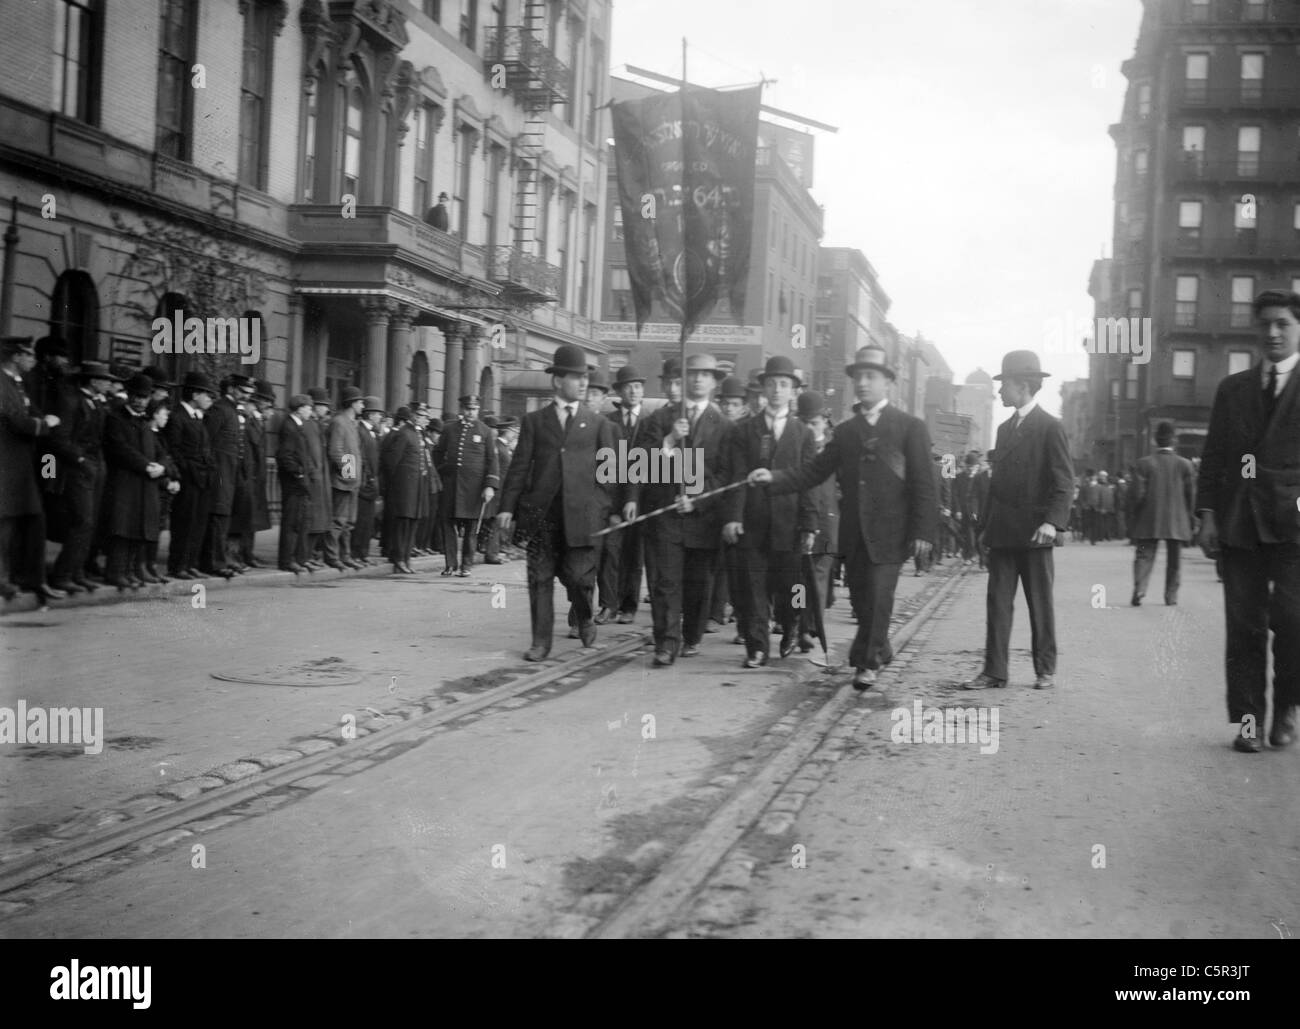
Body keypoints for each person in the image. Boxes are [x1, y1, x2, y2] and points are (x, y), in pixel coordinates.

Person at [750, 344, 935, 689]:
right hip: (854, 534)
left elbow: (925, 483)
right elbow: (813, 471)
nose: (862, 383)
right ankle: (880, 646)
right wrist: (774, 478)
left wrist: (924, 530)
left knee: (880, 596)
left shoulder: (910, 427)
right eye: (858, 377)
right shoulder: (848, 432)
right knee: (863, 599)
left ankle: (867, 664)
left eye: (870, 376)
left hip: (892, 533)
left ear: (887, 383)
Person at [1195, 288, 1300, 753]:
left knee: (1295, 622)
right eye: (1266, 325)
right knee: (1244, 626)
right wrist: (1208, 515)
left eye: (1283, 324)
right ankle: (1250, 722)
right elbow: (1215, 457)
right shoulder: (1232, 390)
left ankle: (1288, 708)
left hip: (1295, 527)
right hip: (1241, 523)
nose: (1273, 333)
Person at [497, 344, 620, 662]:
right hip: (541, 516)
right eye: (575, 376)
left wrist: (600, 509)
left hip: (582, 519)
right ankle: (541, 642)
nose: (582, 383)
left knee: (579, 579)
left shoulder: (597, 425)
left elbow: (609, 476)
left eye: (584, 378)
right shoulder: (535, 422)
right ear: (556, 381)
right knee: (539, 578)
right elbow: (520, 467)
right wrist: (507, 507)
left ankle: (585, 616)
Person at [961, 350, 1073, 691]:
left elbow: (1064, 482)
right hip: (1003, 531)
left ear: (1023, 386)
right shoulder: (1004, 428)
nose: (999, 392)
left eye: (1004, 384)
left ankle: (1045, 670)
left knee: (1039, 603)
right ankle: (995, 671)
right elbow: (997, 486)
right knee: (997, 602)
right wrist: (984, 529)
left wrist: (1052, 523)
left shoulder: (1050, 427)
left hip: (1036, 533)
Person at [633, 353, 732, 667]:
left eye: (706, 375)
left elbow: (726, 475)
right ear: (685, 379)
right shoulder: (660, 420)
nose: (699, 379)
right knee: (665, 582)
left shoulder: (725, 427)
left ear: (715, 383)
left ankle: (691, 635)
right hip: (665, 514)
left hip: (703, 520)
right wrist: (670, 440)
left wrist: (699, 498)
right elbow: (639, 463)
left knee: (697, 585)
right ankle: (665, 642)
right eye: (693, 374)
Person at [723, 355, 817, 668]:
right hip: (752, 520)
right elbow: (736, 475)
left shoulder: (803, 433)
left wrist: (809, 525)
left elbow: (809, 481)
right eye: (772, 383)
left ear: (793, 391)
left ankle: (791, 624)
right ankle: (757, 647)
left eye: (784, 384)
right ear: (763, 388)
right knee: (753, 588)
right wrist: (734, 516)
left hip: (789, 525)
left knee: (790, 588)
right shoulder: (745, 430)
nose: (777, 389)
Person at [0, 336, 64, 602]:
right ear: (15, 356)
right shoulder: (2, 384)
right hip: (5, 464)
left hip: (21, 465)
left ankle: (33, 578)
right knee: (5, 526)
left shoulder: (18, 384)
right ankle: (5, 580)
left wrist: (40, 421)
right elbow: (16, 421)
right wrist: (44, 424)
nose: (32, 360)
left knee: (34, 520)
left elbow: (31, 414)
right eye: (28, 355)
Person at [47, 361, 117, 593]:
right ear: (93, 381)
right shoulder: (71, 401)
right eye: (105, 379)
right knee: (82, 521)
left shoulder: (97, 403)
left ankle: (77, 573)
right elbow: (58, 439)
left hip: (94, 468)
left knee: (90, 523)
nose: (109, 383)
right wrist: (80, 460)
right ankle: (62, 574)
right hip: (76, 470)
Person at [101, 374, 172, 590]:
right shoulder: (116, 418)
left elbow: (161, 452)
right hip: (125, 482)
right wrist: (147, 466)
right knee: (122, 529)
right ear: (129, 395)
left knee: (139, 530)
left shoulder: (144, 422)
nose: (140, 401)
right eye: (136, 396)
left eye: (144, 397)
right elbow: (120, 449)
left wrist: (163, 467)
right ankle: (115, 572)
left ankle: (131, 571)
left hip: (145, 484)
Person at [1129, 421, 1194, 607]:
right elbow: (1191, 495)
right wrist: (1191, 517)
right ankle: (1171, 596)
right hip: (1177, 519)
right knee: (1175, 560)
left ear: (1155, 440)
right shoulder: (1185, 465)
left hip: (1148, 519)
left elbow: (1137, 495)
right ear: (1174, 440)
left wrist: (1134, 515)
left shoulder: (1143, 464)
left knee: (1143, 554)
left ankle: (1140, 589)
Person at [434, 394, 499, 576]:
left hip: (474, 488)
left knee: (471, 528)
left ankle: (466, 565)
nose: (470, 412)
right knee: (447, 524)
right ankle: (450, 564)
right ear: (461, 410)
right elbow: (438, 453)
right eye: (467, 409)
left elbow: (492, 461)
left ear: (477, 410)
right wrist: (442, 473)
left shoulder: (485, 431)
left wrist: (490, 486)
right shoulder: (449, 429)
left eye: (474, 409)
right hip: (451, 486)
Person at [163, 371, 217, 579]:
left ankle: (190, 563)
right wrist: (189, 471)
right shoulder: (177, 417)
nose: (209, 399)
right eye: (207, 395)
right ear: (195, 395)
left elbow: (206, 449)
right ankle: (177, 566)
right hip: (188, 479)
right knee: (184, 524)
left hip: (202, 480)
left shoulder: (197, 418)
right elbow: (174, 451)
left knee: (198, 523)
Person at [608, 364, 650, 623]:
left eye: (638, 386)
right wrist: (611, 506)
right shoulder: (607, 422)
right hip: (613, 499)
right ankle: (610, 603)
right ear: (619, 391)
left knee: (635, 555)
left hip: (642, 500)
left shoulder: (649, 421)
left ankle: (629, 606)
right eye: (628, 387)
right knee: (612, 555)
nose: (633, 391)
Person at [201, 374, 252, 578]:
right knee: (218, 516)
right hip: (219, 473)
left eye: (249, 394)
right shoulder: (219, 409)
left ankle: (221, 559)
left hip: (232, 473)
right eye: (242, 392)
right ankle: (214, 562)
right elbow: (206, 443)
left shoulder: (233, 411)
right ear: (231, 389)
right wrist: (212, 470)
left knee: (225, 518)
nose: (246, 397)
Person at [381, 405, 436, 574]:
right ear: (412, 416)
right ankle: (398, 559)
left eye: (426, 416)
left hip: (417, 488)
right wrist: (396, 487)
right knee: (403, 524)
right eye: (420, 415)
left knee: (413, 523)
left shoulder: (419, 434)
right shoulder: (403, 433)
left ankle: (406, 559)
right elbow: (392, 462)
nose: (424, 419)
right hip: (405, 489)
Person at [323, 385, 365, 570]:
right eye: (360, 402)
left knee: (349, 522)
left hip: (351, 480)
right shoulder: (339, 422)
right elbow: (335, 451)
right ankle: (331, 556)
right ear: (352, 403)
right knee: (338, 521)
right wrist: (349, 475)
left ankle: (345, 555)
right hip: (343, 481)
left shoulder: (351, 423)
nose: (363, 405)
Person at [276, 394, 315, 573]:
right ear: (299, 408)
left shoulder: (297, 426)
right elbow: (285, 456)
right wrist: (299, 474)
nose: (310, 411)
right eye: (308, 407)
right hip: (293, 483)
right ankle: (287, 560)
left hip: (299, 482)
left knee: (299, 522)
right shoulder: (290, 427)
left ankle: (297, 558)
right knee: (291, 522)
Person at [304, 387, 333, 570]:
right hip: (319, 479)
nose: (326, 409)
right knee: (317, 520)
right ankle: (313, 554)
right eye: (323, 405)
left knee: (322, 520)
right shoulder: (312, 424)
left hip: (324, 478)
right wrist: (349, 476)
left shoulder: (320, 424)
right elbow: (339, 452)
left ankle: (315, 553)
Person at [352, 395, 384, 565]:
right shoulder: (360, 431)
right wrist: (362, 479)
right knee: (360, 520)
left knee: (367, 521)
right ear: (370, 414)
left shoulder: (372, 433)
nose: (380, 418)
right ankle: (356, 553)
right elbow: (358, 457)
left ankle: (362, 553)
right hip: (363, 483)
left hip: (371, 483)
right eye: (378, 414)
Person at [481, 415, 517, 564]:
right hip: (497, 492)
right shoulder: (498, 447)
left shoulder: (503, 448)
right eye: (514, 431)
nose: (515, 434)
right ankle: (491, 554)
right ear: (507, 431)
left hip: (501, 492)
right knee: (494, 524)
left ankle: (494, 551)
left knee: (496, 524)